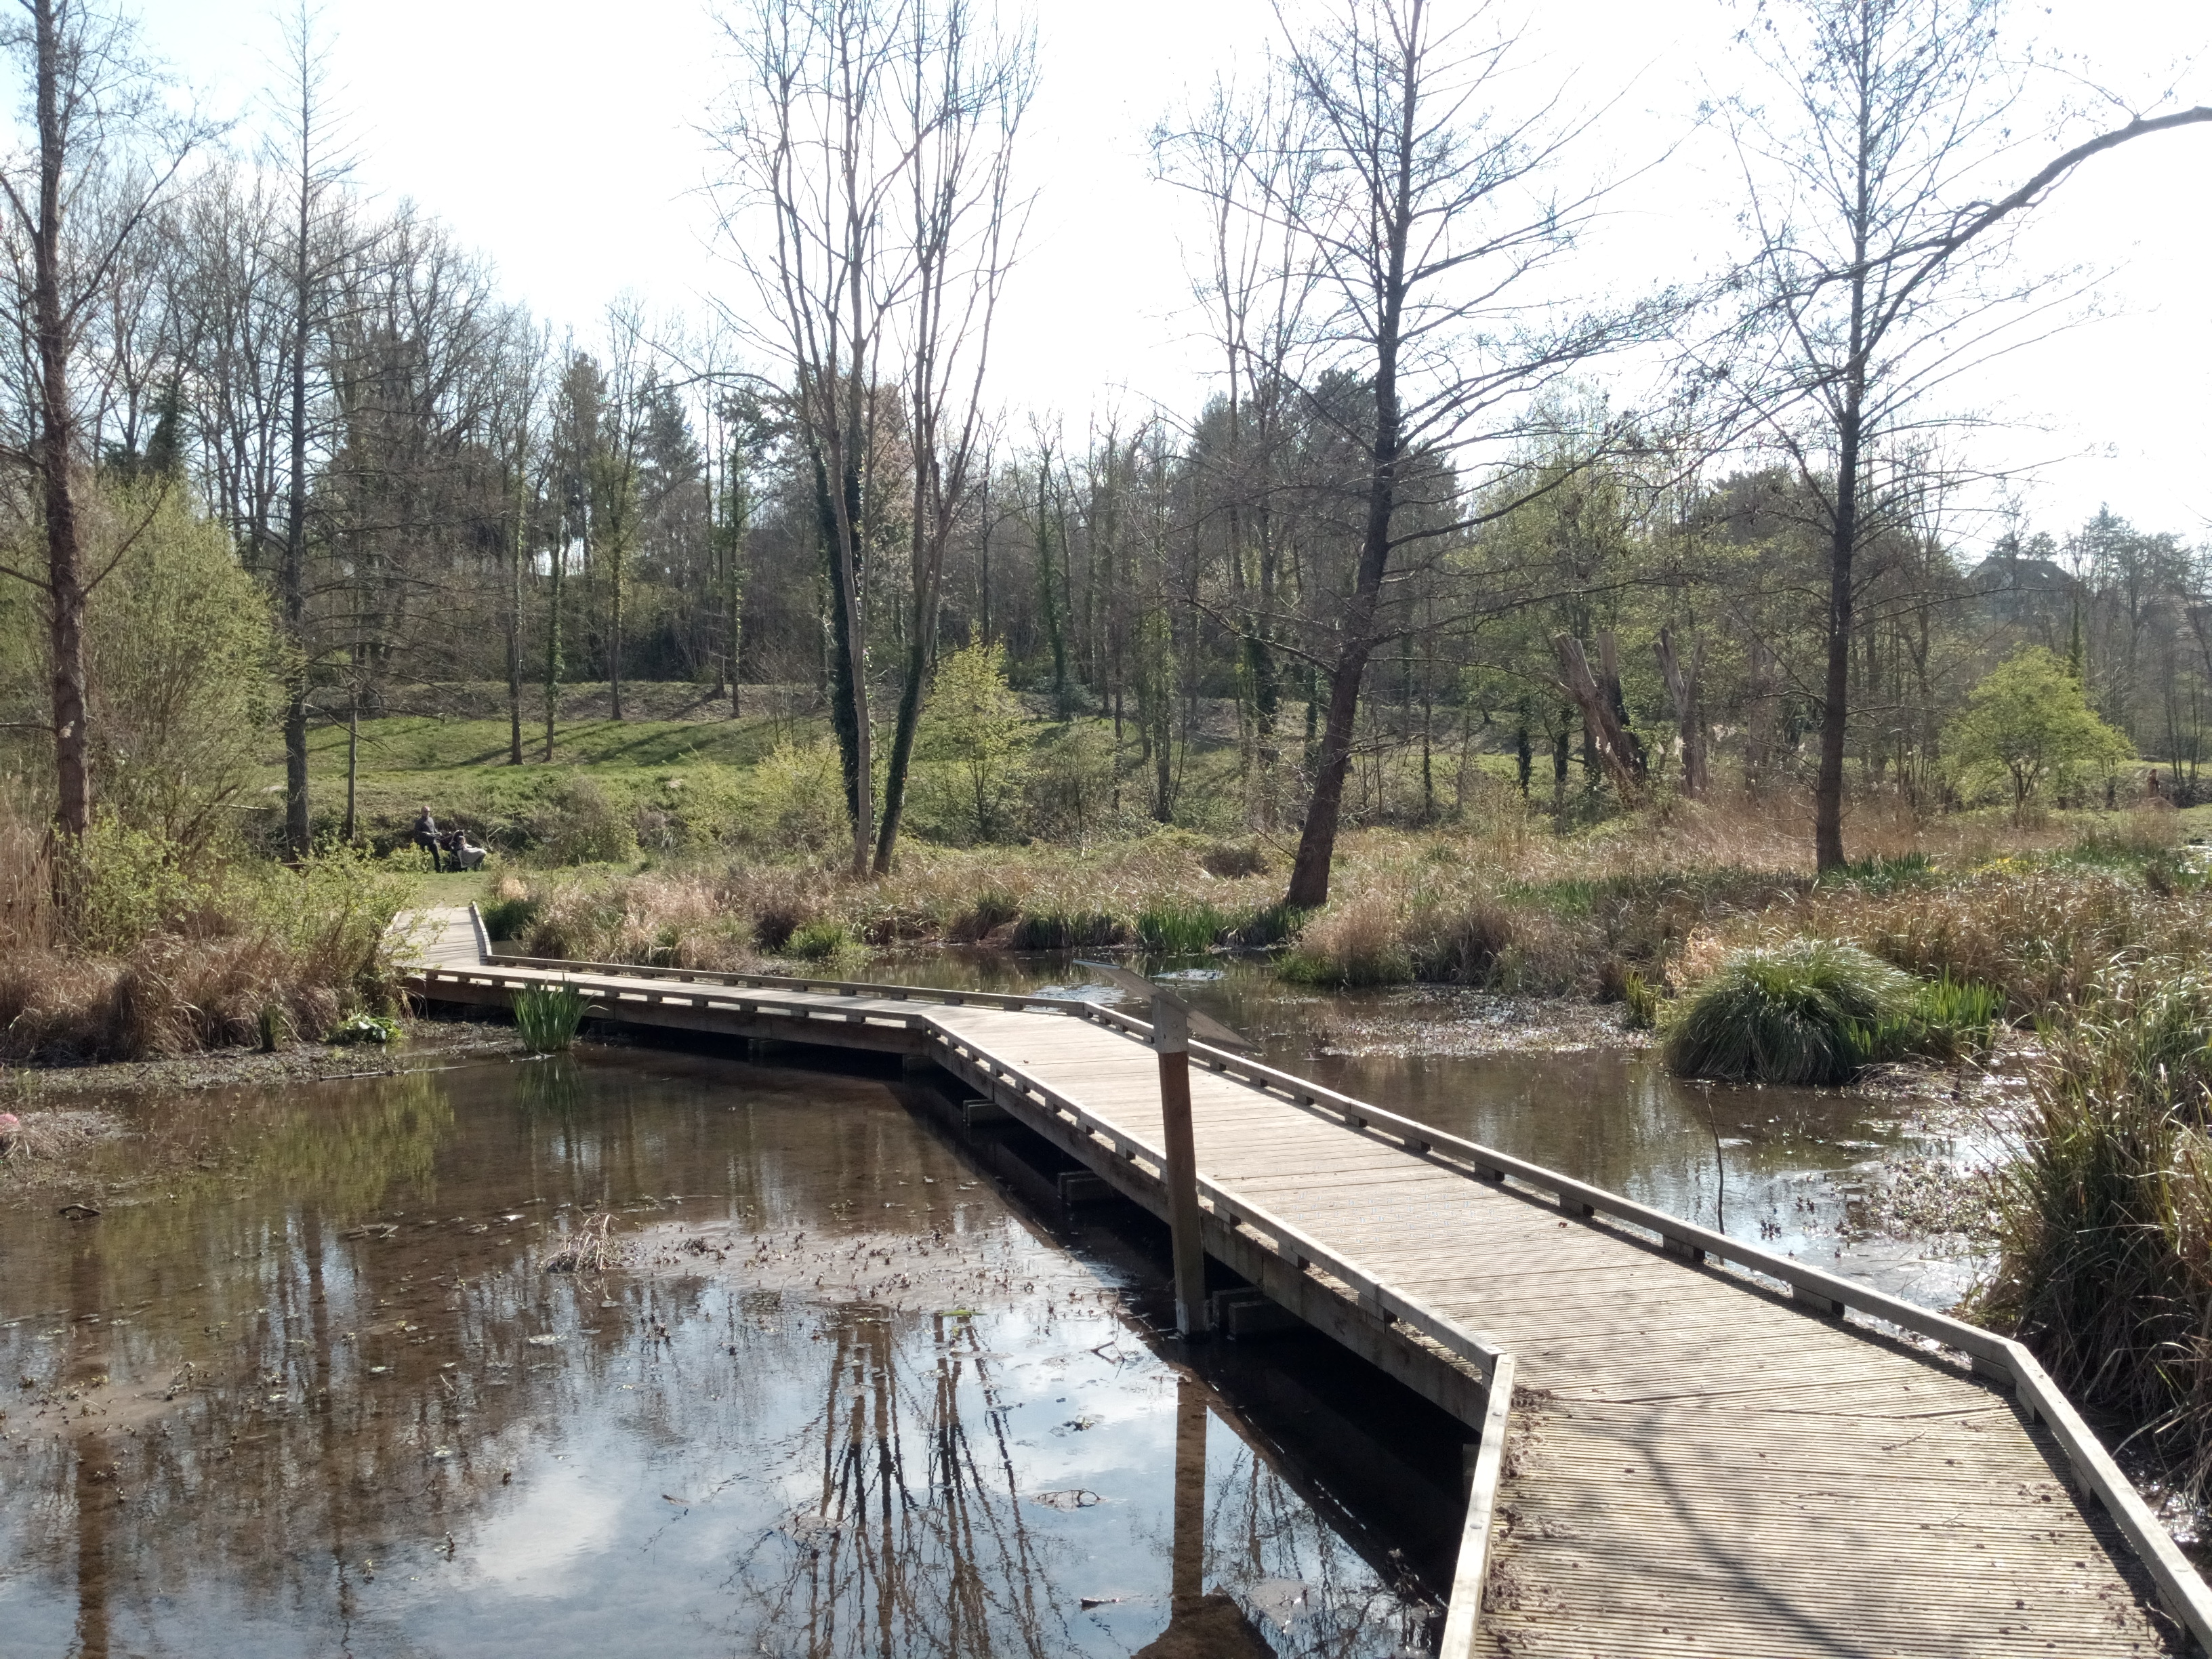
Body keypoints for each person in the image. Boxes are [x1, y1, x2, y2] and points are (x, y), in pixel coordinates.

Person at [412, 804, 445, 872]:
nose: (427, 813)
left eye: (428, 812)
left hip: (432, 841)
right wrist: (424, 833)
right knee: (425, 856)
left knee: (437, 856)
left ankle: (439, 870)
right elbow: (416, 832)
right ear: (422, 812)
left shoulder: (431, 820)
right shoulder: (419, 822)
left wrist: (438, 833)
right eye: (425, 812)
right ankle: (425, 870)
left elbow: (434, 829)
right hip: (424, 842)